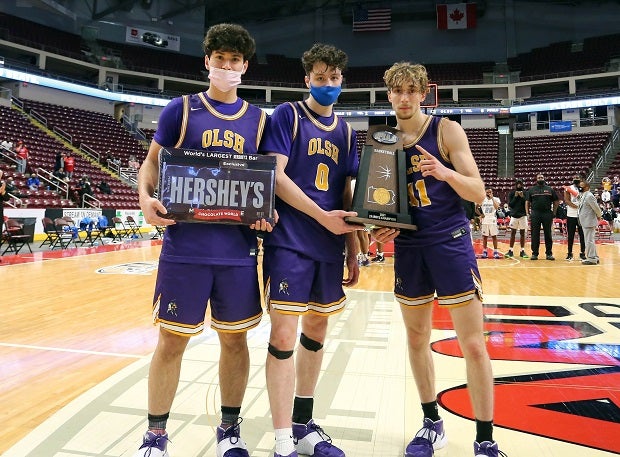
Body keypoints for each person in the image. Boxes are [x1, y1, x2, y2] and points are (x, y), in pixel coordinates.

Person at [133, 23, 274, 457]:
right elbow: (151, 165)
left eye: (235, 60)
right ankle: (155, 435)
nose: (227, 66)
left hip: (237, 250)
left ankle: (229, 429)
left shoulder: (259, 119)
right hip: (185, 247)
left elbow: (268, 181)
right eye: (220, 59)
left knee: (235, 339)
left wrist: (269, 213)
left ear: (244, 66)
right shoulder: (182, 109)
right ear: (207, 61)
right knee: (171, 340)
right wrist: (144, 199)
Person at [373, 62, 505, 457]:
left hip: (449, 242)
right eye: (397, 91)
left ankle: (485, 440)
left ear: (423, 92)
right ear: (389, 94)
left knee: (473, 345)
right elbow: (380, 203)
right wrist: (379, 227)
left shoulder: (446, 130)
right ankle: (432, 423)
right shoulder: (384, 140)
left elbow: (479, 191)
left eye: (411, 90)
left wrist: (445, 173)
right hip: (410, 248)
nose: (404, 98)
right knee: (416, 339)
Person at [260, 42, 360, 457]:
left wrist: (354, 247)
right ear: (307, 79)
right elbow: (276, 177)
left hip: (330, 245)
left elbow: (349, 192)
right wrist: (321, 216)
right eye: (320, 78)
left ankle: (303, 423)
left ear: (342, 80)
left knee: (316, 332)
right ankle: (283, 436)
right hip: (290, 240)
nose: (328, 84)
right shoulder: (287, 115)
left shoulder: (349, 132)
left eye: (334, 79)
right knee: (284, 333)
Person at [526, 173, 559, 261]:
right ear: (536, 179)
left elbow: (556, 201)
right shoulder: (532, 190)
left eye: (542, 177)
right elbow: (527, 202)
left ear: (544, 179)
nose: (540, 178)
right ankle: (534, 254)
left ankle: (549, 253)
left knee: (548, 234)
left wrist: (554, 212)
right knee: (534, 234)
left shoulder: (550, 189)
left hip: (547, 213)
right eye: (539, 177)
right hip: (535, 214)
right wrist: (527, 213)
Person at [578, 180, 602, 265]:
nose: (579, 187)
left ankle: (591, 258)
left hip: (589, 221)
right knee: (589, 240)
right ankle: (595, 257)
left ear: (587, 187)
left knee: (589, 241)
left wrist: (599, 215)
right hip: (585, 221)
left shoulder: (589, 196)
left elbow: (596, 208)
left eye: (581, 186)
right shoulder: (583, 195)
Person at [563, 174, 585, 261]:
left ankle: (582, 253)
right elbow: (567, 201)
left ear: (581, 179)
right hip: (571, 215)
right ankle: (569, 253)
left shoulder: (584, 188)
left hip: (582, 215)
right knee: (570, 235)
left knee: (582, 235)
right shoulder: (569, 188)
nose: (576, 179)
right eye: (575, 178)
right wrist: (576, 207)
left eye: (577, 178)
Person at [505, 179, 528, 258]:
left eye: (520, 183)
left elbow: (527, 204)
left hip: (523, 215)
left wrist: (522, 197)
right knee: (512, 233)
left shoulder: (525, 193)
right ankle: (510, 251)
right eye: (517, 183)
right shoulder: (512, 193)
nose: (519, 185)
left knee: (522, 234)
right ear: (516, 184)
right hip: (514, 215)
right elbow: (511, 205)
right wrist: (515, 197)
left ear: (522, 184)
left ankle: (522, 251)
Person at [479, 187, 501, 259]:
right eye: (487, 192)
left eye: (490, 192)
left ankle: (495, 252)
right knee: (485, 237)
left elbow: (497, 207)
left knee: (494, 236)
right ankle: (485, 251)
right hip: (485, 220)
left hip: (492, 220)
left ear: (492, 193)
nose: (488, 193)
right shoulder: (482, 200)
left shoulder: (496, 199)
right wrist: (480, 214)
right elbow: (476, 208)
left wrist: (492, 198)